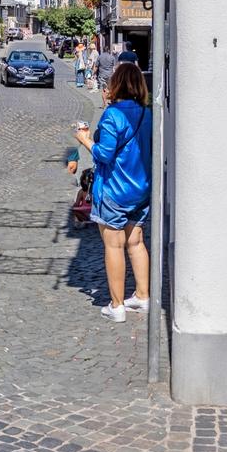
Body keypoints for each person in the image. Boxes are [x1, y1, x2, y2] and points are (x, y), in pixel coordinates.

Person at [79, 61, 152, 319]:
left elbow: (105, 154)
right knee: (136, 241)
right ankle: (143, 296)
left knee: (113, 245)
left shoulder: (113, 115)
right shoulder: (147, 113)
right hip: (140, 188)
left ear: (116, 85)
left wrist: (85, 139)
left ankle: (117, 305)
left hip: (115, 189)